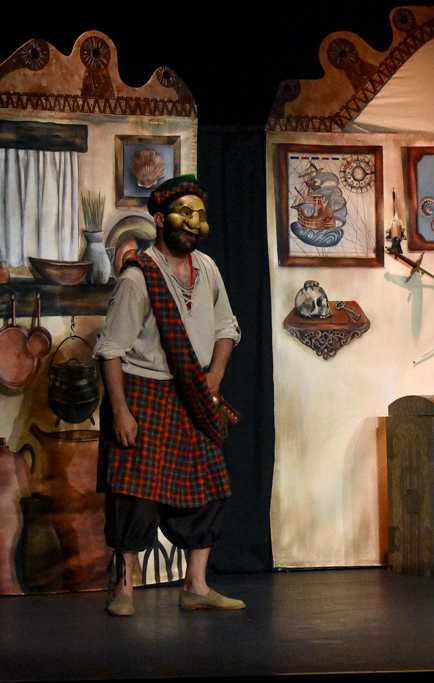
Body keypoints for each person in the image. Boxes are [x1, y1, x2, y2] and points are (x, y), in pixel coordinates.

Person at [95, 175, 243, 616]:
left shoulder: (208, 268)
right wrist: (121, 411)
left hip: (193, 393)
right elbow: (111, 350)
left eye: (200, 216)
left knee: (209, 489)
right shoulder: (138, 277)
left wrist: (215, 374)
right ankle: (124, 588)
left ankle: (196, 586)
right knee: (134, 495)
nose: (193, 224)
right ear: (159, 220)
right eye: (184, 214)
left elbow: (227, 327)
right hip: (145, 390)